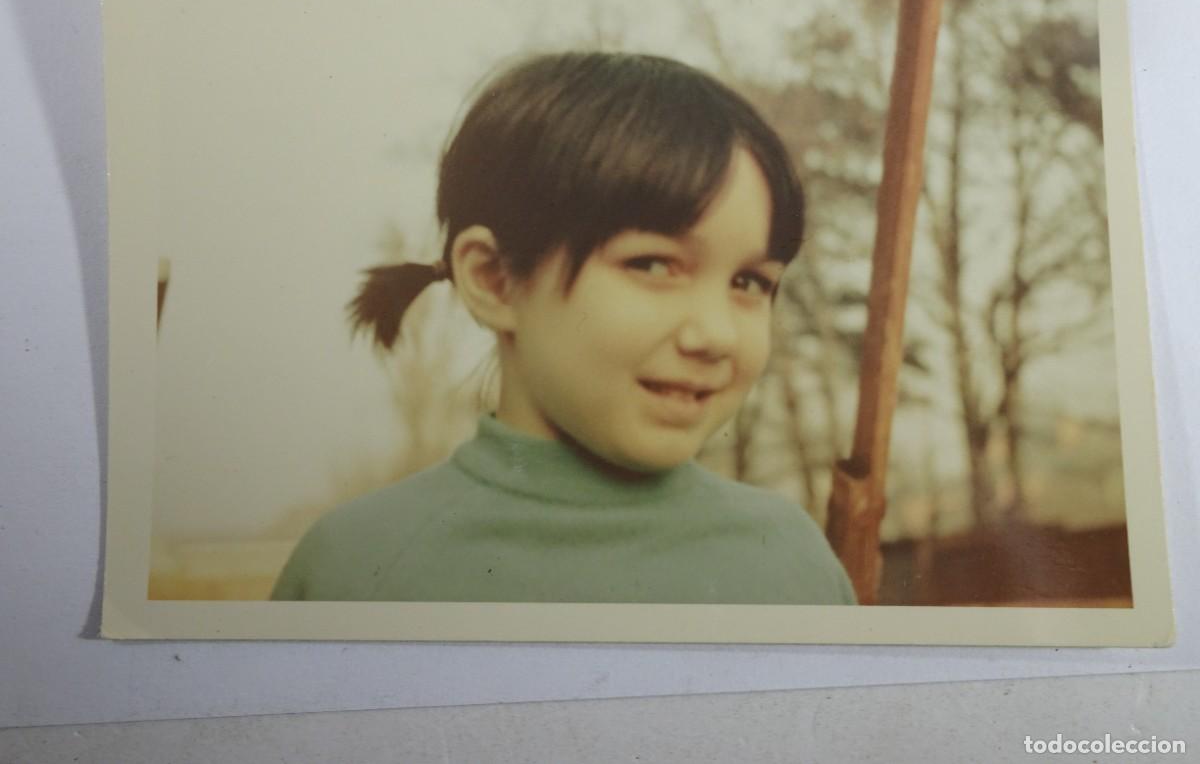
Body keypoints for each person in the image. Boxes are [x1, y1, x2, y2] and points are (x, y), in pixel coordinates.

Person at [271, 51, 857, 605]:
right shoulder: (357, 569)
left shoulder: (793, 565)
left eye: (750, 282)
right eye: (652, 265)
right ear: (494, 279)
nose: (717, 335)